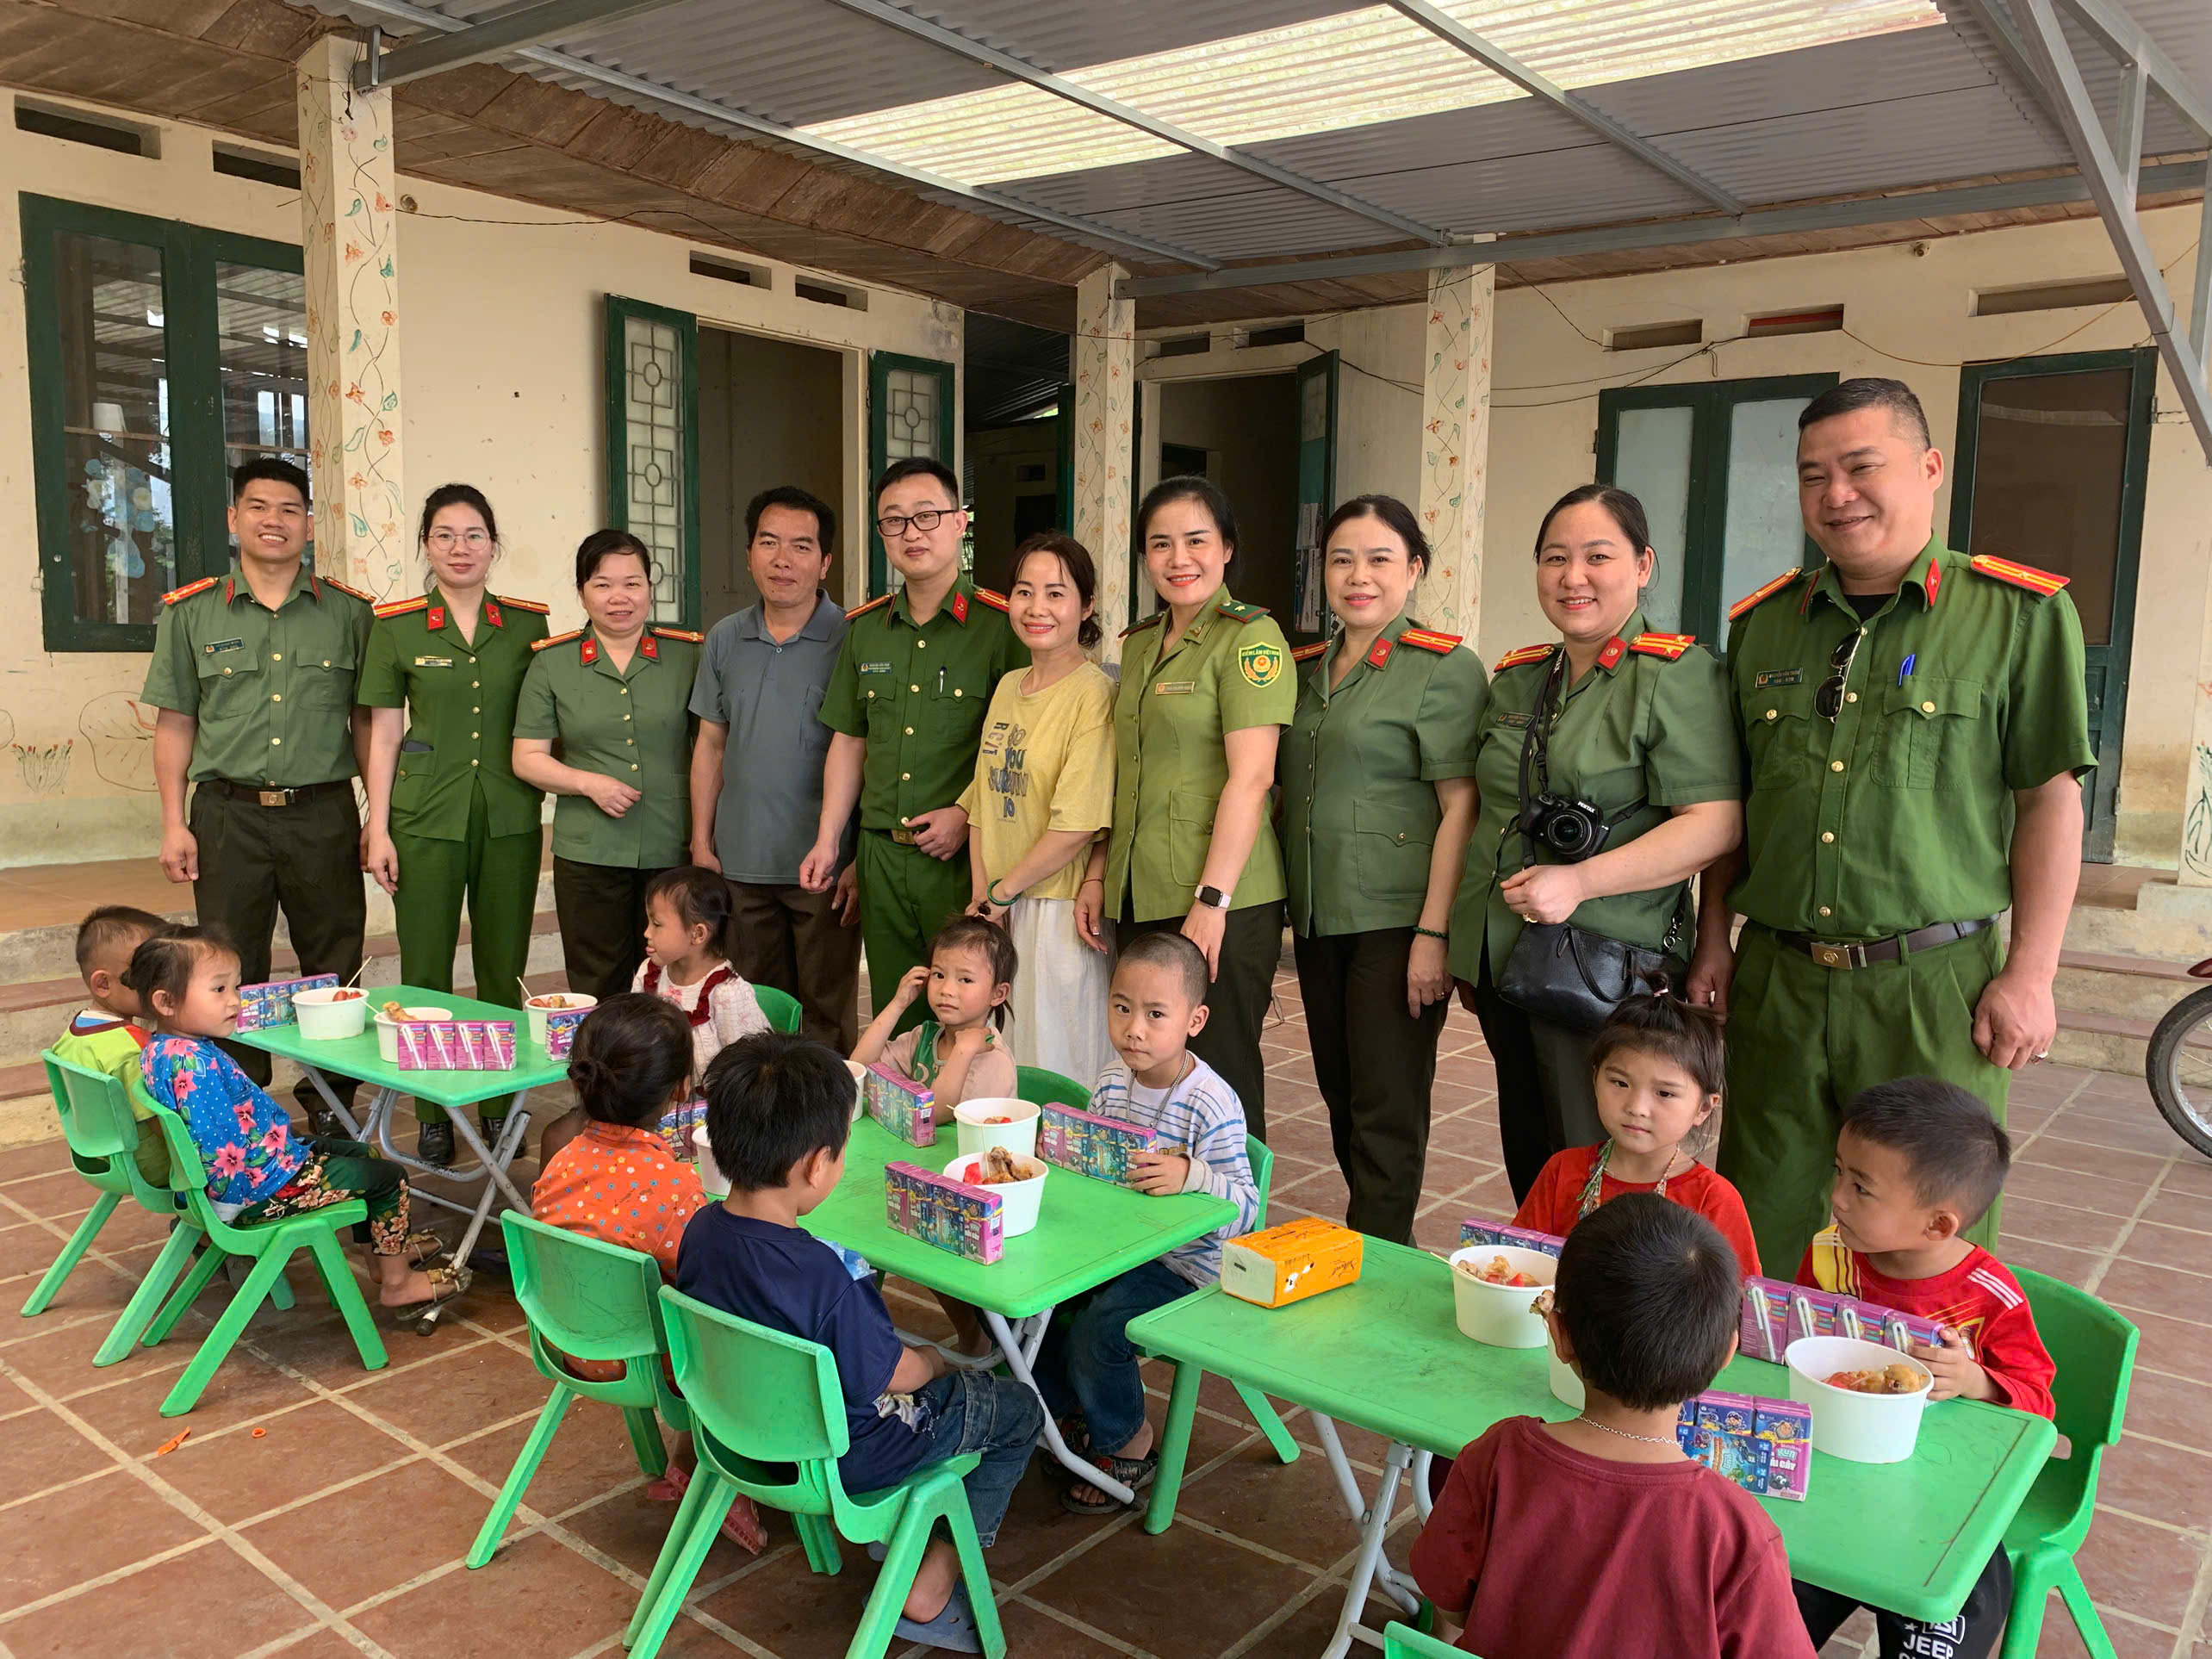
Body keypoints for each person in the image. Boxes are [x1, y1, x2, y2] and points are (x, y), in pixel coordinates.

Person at [1689, 377, 2095, 1272]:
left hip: (1931, 988)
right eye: (1813, 475)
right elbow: (1735, 807)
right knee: (1763, 1228)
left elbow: (2050, 800)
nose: (1836, 494)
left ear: (1930, 468)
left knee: (1925, 1244)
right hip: (1780, 980)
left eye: (1861, 467)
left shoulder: (2016, 615)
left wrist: (2032, 973)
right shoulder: (1764, 627)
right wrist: (1714, 936)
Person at [679, 1031, 1044, 1651]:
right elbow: (897, 1375)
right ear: (815, 1164)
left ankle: (905, 1531)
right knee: (1018, 1408)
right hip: (846, 1456)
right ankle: (932, 1577)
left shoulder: (699, 1232)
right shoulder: (822, 1277)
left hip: (737, 1431)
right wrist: (933, 1359)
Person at [1448, 485, 1741, 1203]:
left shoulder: (1673, 676)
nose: (1572, 576)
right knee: (1535, 1162)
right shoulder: (1519, 679)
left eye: (1597, 557)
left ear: (1643, 565)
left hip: (1604, 969)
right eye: (1555, 558)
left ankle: (1605, 1276)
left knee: (1600, 1161)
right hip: (1505, 957)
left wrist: (1581, 881)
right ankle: (1542, 1268)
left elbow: (1714, 822)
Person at [1410, 1194, 1811, 1659]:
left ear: (1559, 1335)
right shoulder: (1738, 1532)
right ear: (1726, 1355)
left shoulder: (1499, 1456)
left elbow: (1449, 1601)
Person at [142, 458, 372, 1132]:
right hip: (226, 815)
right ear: (233, 519)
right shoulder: (190, 613)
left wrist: (378, 818)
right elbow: (175, 723)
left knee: (334, 961)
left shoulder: (350, 614)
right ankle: (240, 1112)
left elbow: (368, 722)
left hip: (323, 813)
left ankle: (332, 1110)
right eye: (259, 507)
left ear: (309, 524)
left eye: (290, 509)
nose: (275, 521)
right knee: (223, 963)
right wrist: (172, 823)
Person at [1791, 1078, 2054, 1657]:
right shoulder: (1830, 1255)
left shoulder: (1989, 1297)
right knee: (1757, 1604)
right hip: (1832, 1483)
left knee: (1954, 1606)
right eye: (1839, 1172)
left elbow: (2040, 1406)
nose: (1837, 1198)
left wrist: (1975, 1380)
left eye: (1861, 1187)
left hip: (1945, 1503)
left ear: (1938, 1225)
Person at [1280, 495, 1484, 1242]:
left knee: (1386, 1106)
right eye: (1341, 560)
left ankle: (1380, 1256)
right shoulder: (1304, 668)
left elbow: (1461, 806)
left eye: (1378, 559)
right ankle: (1372, 1239)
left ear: (1414, 569)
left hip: (1397, 923)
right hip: (1318, 913)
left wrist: (1434, 933)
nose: (1358, 576)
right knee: (1340, 1093)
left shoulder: (1443, 669)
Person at [1079, 477, 1295, 1137]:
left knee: (1220, 1073)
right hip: (1140, 889)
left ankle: (1235, 1201)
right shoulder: (1140, 643)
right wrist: (1098, 873)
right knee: (1149, 1069)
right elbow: (1127, 774)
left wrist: (1212, 901)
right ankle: (1162, 1198)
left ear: (1227, 548)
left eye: (1197, 541)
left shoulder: (1251, 639)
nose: (1179, 559)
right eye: (1160, 544)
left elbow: (1252, 778)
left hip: (1219, 897)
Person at [530, 991, 766, 1555]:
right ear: (683, 1088)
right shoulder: (672, 1184)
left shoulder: (562, 1156)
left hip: (567, 1337)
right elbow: (712, 1277)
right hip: (640, 1359)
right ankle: (722, 1468)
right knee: (749, 1319)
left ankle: (686, 1459)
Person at [359, 483, 550, 1165]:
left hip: (509, 817)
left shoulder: (529, 626)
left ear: (493, 545)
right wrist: (379, 828)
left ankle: (501, 1110)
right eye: (444, 535)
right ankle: (434, 1113)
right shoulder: (397, 626)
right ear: (426, 545)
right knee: (425, 974)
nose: (460, 548)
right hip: (425, 818)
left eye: (474, 535)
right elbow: (385, 735)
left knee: (504, 970)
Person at [127, 928, 463, 1311]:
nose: (235, 1000)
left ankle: (384, 1260)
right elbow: (219, 1152)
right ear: (166, 1002)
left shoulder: (162, 1049)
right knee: (390, 1178)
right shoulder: (194, 1065)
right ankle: (399, 1285)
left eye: (235, 987)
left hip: (264, 1166)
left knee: (362, 1154)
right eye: (219, 990)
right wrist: (229, 1212)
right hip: (259, 1192)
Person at [802, 460, 1024, 1038]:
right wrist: (831, 841)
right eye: (894, 521)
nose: (911, 533)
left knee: (969, 1016)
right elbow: (850, 740)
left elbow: (1023, 748)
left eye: (927, 516)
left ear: (960, 522)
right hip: (880, 857)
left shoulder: (1004, 627)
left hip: (963, 859)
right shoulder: (866, 630)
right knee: (897, 1013)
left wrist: (966, 813)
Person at [1042, 931, 1258, 1514]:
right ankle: (1068, 1413)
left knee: (1099, 1329)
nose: (1134, 1029)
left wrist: (1192, 1174)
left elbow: (1246, 1209)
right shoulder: (1112, 1083)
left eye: (1155, 1014)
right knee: (1039, 1303)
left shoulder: (1210, 1102)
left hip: (1190, 1269)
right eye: (1122, 1008)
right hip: (1119, 1248)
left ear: (1195, 1020)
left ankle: (1127, 1441)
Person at [689, 487, 863, 1051]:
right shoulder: (724, 638)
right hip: (741, 862)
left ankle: (829, 1107)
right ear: (749, 554)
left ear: (825, 561)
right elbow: (711, 744)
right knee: (753, 1010)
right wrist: (701, 841)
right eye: (769, 543)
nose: (782, 560)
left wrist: (856, 857)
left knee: (825, 1012)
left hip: (824, 867)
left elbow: (865, 748)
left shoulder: (853, 637)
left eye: (801, 546)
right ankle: (761, 1108)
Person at [513, 531, 704, 1001]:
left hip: (672, 842)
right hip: (589, 850)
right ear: (582, 592)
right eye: (602, 584)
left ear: (650, 588)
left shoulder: (690, 656)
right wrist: (588, 783)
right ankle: (602, 1052)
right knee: (597, 980)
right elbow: (527, 758)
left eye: (632, 583)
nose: (619, 597)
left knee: (676, 979)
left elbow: (712, 748)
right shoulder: (552, 663)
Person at [960, 531, 1116, 1085]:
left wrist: (1001, 893)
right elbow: (982, 800)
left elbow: (1077, 825)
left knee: (1056, 1063)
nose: (1037, 608)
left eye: (1056, 593)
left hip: (1055, 909)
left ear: (1086, 605)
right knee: (1002, 1057)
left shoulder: (1093, 694)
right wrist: (983, 896)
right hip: (999, 905)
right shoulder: (1009, 685)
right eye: (1024, 592)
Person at [1511, 992, 1760, 1277]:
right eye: (1620, 1083)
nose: (1636, 1108)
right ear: (1595, 1079)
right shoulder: (1562, 1171)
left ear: (1703, 1107)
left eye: (1664, 1093)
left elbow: (1739, 1297)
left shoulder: (1713, 1199)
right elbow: (1519, 1265)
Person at [632, 865, 772, 1152]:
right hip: (652, 1108)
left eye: (657, 924)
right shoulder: (649, 974)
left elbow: (750, 1067)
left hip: (713, 1121)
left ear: (697, 934)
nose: (646, 933)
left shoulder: (727, 993)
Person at [850, 915, 1019, 1123]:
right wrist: (898, 1004)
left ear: (998, 994)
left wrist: (963, 1052)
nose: (946, 989)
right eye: (939, 975)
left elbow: (933, 1115)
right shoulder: (925, 1037)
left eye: (965, 979)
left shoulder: (994, 1058)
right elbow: (860, 1070)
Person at [53, 905, 170, 1185]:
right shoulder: (132, 1048)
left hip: (99, 1157)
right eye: (149, 977)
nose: (166, 986)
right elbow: (161, 1123)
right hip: (151, 1166)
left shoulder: (71, 1035)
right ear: (103, 984)